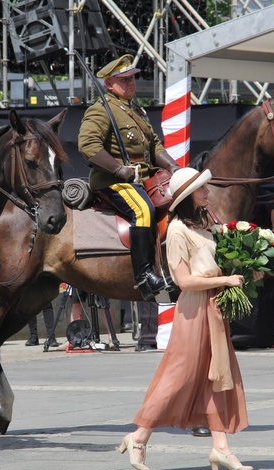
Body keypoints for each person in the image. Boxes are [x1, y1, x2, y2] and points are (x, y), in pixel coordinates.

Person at [120, 168, 253, 470]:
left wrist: (239, 272)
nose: (208, 192)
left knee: (218, 377)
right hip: (193, 311)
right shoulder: (178, 230)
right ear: (189, 196)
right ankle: (139, 436)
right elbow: (184, 281)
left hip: (214, 309)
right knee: (178, 376)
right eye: (202, 189)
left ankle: (221, 449)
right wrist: (227, 278)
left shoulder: (206, 227)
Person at [78, 54, 179, 301]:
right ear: (109, 84)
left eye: (132, 78)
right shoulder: (102, 110)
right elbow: (88, 145)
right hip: (114, 182)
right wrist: (118, 170)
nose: (131, 83)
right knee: (143, 210)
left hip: (144, 179)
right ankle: (144, 275)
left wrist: (174, 167)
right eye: (124, 80)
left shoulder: (136, 110)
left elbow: (153, 145)